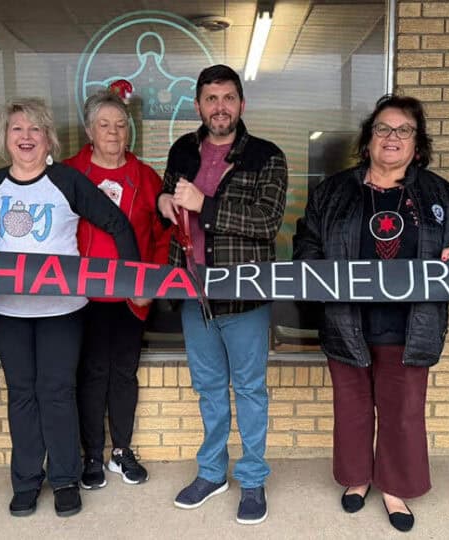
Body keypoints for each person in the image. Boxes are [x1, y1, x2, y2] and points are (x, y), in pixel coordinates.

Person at [292, 94, 449, 533]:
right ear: (368, 139)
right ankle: (358, 479)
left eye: (403, 130)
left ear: (417, 142)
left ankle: (393, 486)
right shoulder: (334, 192)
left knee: (402, 409)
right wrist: (314, 270)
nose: (392, 138)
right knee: (352, 406)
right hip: (346, 320)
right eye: (383, 129)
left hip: (411, 324)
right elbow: (307, 244)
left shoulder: (439, 194)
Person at [0, 98, 140, 519]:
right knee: (22, 394)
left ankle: (64, 479)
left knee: (58, 392)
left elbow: (118, 224)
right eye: (17, 129)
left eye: (35, 129)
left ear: (48, 138)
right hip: (8, 311)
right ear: (5, 138)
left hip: (62, 310)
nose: (26, 137)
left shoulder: (66, 180)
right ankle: (26, 481)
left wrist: (133, 281)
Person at [157, 64, 288, 525]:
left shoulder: (267, 156)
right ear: (198, 105)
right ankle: (212, 472)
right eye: (211, 99)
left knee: (250, 390)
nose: (219, 107)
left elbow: (267, 223)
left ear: (241, 105)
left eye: (228, 98)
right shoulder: (182, 149)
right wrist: (163, 202)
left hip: (245, 297)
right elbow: (165, 195)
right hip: (195, 293)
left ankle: (252, 480)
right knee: (209, 390)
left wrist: (204, 206)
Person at [64, 89, 171, 488]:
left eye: (121, 125)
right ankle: (92, 454)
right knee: (90, 372)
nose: (113, 132)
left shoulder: (145, 176)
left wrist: (151, 282)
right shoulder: (70, 172)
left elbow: (164, 235)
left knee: (123, 373)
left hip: (132, 296)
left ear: (130, 132)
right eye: (104, 125)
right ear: (90, 130)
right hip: (82, 297)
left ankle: (121, 451)